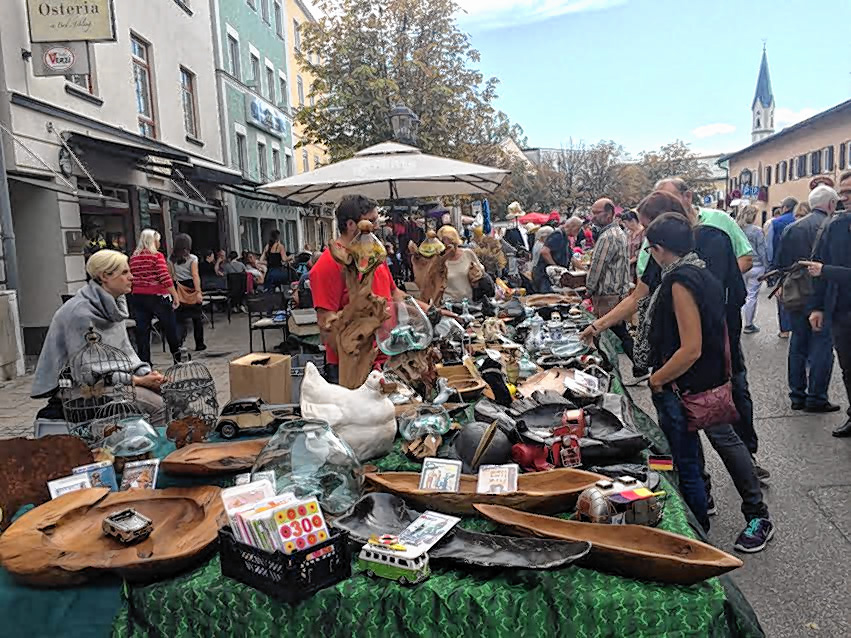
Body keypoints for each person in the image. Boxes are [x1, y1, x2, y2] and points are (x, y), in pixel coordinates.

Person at [585, 190, 769, 507]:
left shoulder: (689, 267)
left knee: (720, 435)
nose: (644, 240)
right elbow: (637, 297)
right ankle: (701, 497)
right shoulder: (676, 263)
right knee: (683, 444)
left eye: (648, 232)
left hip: (698, 365)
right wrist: (598, 325)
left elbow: (705, 328)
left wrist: (658, 379)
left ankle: (754, 510)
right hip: (677, 363)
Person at [641, 213, 773, 551]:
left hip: (691, 384)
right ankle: (716, 515)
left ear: (658, 249)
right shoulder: (700, 270)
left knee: (696, 455)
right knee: (706, 450)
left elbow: (691, 348)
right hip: (703, 380)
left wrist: (657, 378)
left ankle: (705, 532)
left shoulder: (680, 281)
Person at [311, 195, 437, 384]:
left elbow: (393, 294)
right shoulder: (328, 264)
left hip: (387, 355)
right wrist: (356, 357)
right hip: (351, 367)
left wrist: (426, 311)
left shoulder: (373, 255)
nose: (376, 226)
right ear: (351, 224)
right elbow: (326, 323)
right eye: (370, 221)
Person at [32, 250, 167, 425]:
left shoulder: (113, 307)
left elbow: (126, 356)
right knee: (158, 406)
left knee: (171, 393)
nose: (132, 277)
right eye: (125, 273)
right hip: (78, 389)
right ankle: (156, 450)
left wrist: (148, 374)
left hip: (111, 383)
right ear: (105, 276)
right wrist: (140, 381)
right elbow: (87, 375)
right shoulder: (79, 313)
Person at [774, 185, 839, 412]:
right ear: (831, 204)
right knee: (822, 345)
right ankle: (817, 397)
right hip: (823, 293)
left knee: (798, 343)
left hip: (797, 292)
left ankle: (797, 395)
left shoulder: (793, 227)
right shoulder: (834, 226)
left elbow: (780, 262)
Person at [803, 171, 851, 437]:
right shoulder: (836, 225)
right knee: (848, 368)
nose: (845, 198)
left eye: (850, 192)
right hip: (842, 311)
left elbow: (824, 269)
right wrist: (816, 307)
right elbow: (816, 267)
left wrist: (827, 271)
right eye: (842, 193)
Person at [586, 198, 637, 369]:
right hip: (616, 291)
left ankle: (608, 365)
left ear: (609, 214)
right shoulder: (618, 232)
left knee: (605, 330)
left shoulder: (607, 236)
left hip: (607, 293)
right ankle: (637, 366)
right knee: (618, 331)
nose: (592, 216)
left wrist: (589, 289)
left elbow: (597, 267)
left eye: (596, 212)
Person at [129, 229, 180, 365]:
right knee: (170, 327)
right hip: (157, 296)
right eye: (158, 240)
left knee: (142, 331)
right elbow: (164, 277)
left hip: (138, 296)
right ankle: (177, 358)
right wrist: (175, 295)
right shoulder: (156, 256)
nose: (159, 243)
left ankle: (145, 362)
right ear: (153, 241)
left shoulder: (134, 257)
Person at [766, 196, 799, 338]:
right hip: (799, 263)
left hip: (782, 263)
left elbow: (770, 246)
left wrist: (770, 265)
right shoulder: (799, 220)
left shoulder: (776, 222)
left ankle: (784, 329)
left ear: (784, 207)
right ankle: (797, 325)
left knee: (782, 295)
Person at [169, 233, 206, 353]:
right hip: (190, 287)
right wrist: (198, 292)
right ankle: (199, 344)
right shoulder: (193, 258)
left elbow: (170, 276)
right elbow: (195, 275)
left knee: (180, 319)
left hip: (178, 287)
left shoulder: (170, 259)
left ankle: (178, 343)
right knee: (197, 318)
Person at [737, 205, 768, 334]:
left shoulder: (736, 229)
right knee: (752, 295)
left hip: (740, 264)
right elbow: (762, 250)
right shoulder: (756, 231)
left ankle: (737, 321)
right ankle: (748, 324)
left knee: (740, 294)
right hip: (756, 266)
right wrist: (767, 267)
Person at [438, 225, 487, 303]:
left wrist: (476, 273)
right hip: (449, 304)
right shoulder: (440, 261)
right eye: (443, 241)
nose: (446, 244)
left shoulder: (468, 253)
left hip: (470, 302)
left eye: (449, 240)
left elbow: (481, 271)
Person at [535, 216, 583, 293]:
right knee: (549, 299)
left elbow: (572, 258)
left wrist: (584, 269)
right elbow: (544, 252)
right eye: (578, 229)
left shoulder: (565, 238)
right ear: (573, 227)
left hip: (554, 277)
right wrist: (556, 267)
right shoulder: (558, 235)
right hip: (545, 276)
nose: (579, 231)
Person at [621, 210, 645, 275]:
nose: (625, 225)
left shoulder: (643, 233)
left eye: (625, 223)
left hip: (638, 266)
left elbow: (643, 251)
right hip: (628, 267)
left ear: (632, 221)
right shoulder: (628, 233)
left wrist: (630, 261)